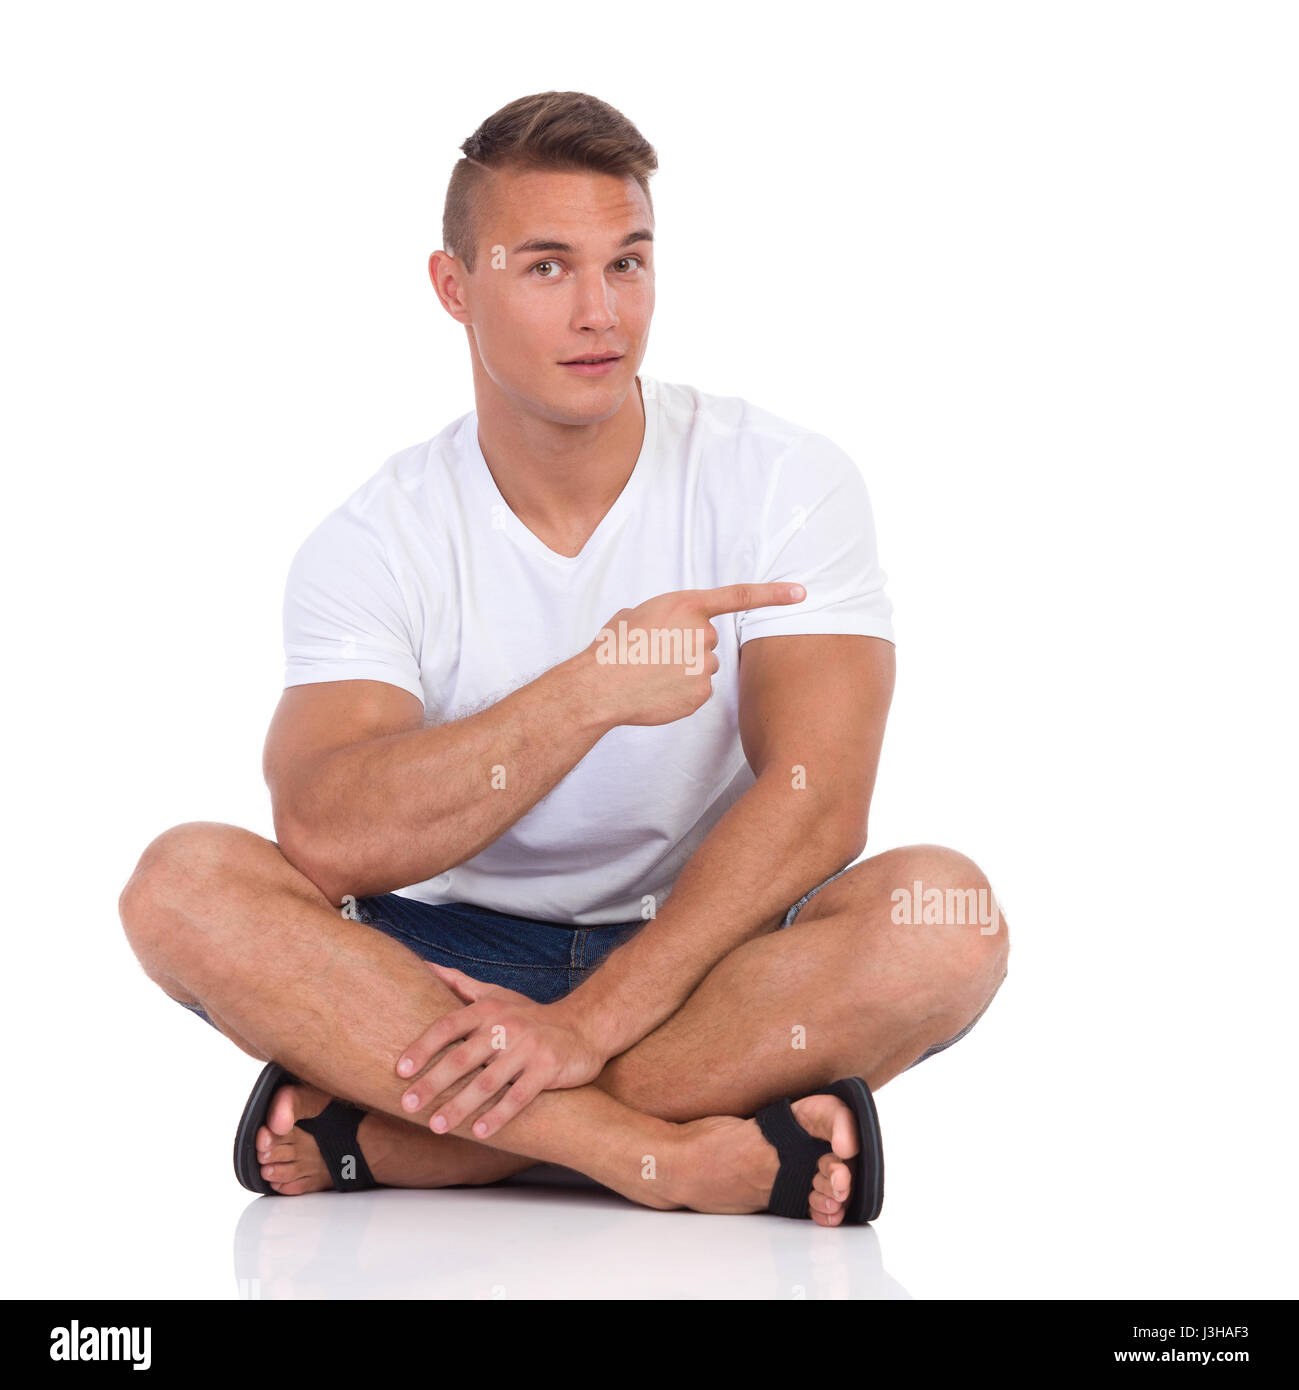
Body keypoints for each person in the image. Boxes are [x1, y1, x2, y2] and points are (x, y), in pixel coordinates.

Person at [119, 91, 1008, 1227]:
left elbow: (820, 805)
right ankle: (651, 1154)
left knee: (948, 915)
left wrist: (588, 1024)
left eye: (628, 263)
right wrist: (587, 694)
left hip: (702, 950)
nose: (602, 312)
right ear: (455, 287)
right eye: (546, 268)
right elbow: (331, 837)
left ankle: (427, 1143)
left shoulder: (785, 476)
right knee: (181, 885)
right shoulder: (375, 536)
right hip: (433, 961)